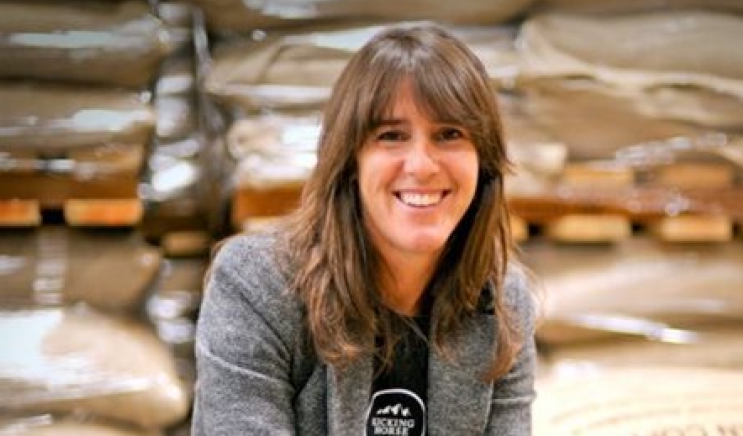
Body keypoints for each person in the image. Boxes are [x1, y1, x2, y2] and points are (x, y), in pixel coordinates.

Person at [192, 23, 537, 435]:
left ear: (484, 162)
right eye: (391, 136)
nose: (422, 165)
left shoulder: (502, 303)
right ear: (350, 161)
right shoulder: (257, 285)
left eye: (450, 134)